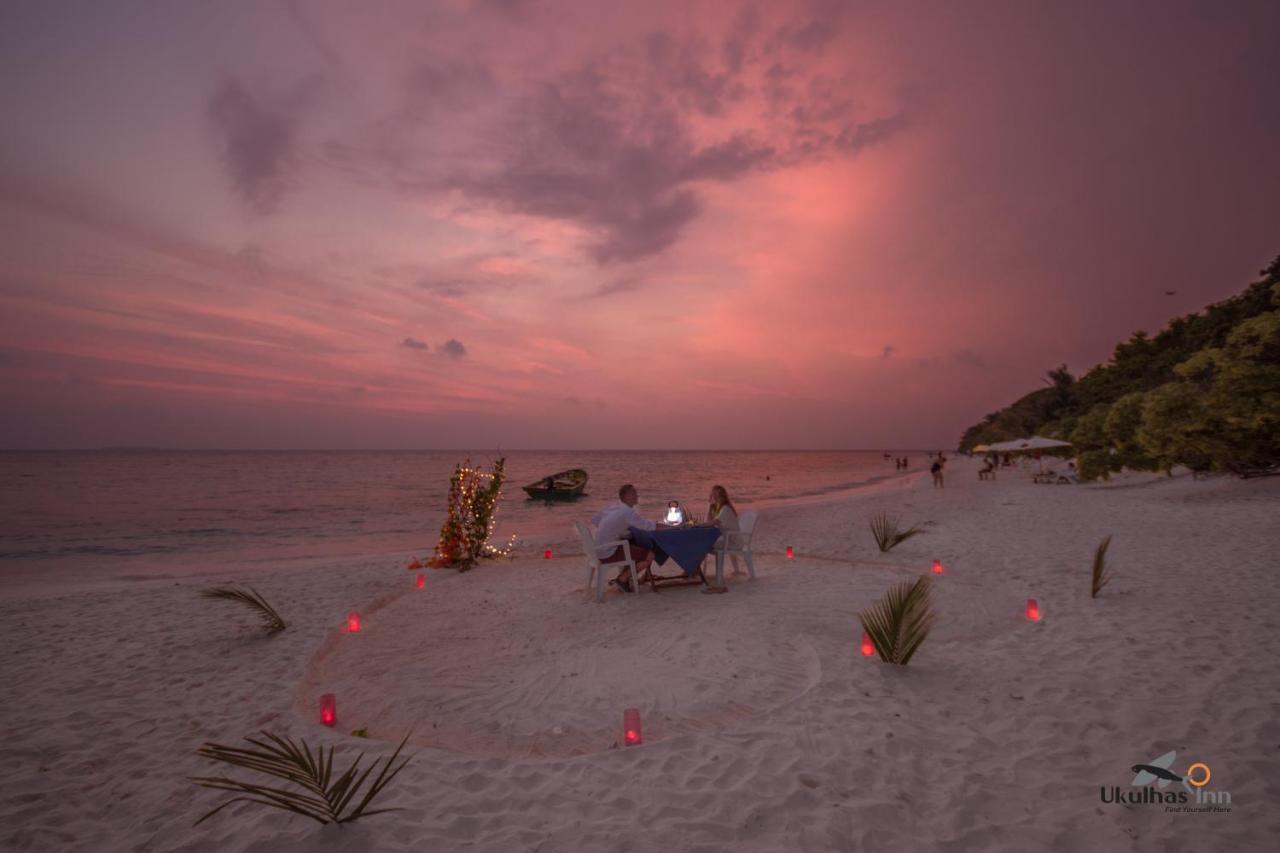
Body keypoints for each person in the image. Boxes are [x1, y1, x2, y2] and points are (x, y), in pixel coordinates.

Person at [590, 484, 655, 592]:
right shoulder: (627, 512)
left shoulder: (614, 506)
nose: (637, 496)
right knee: (650, 555)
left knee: (634, 547)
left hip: (599, 548)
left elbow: (595, 520)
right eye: (634, 493)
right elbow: (646, 526)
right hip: (608, 552)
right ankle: (622, 579)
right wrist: (668, 526)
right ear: (627, 496)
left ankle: (625, 576)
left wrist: (614, 531)